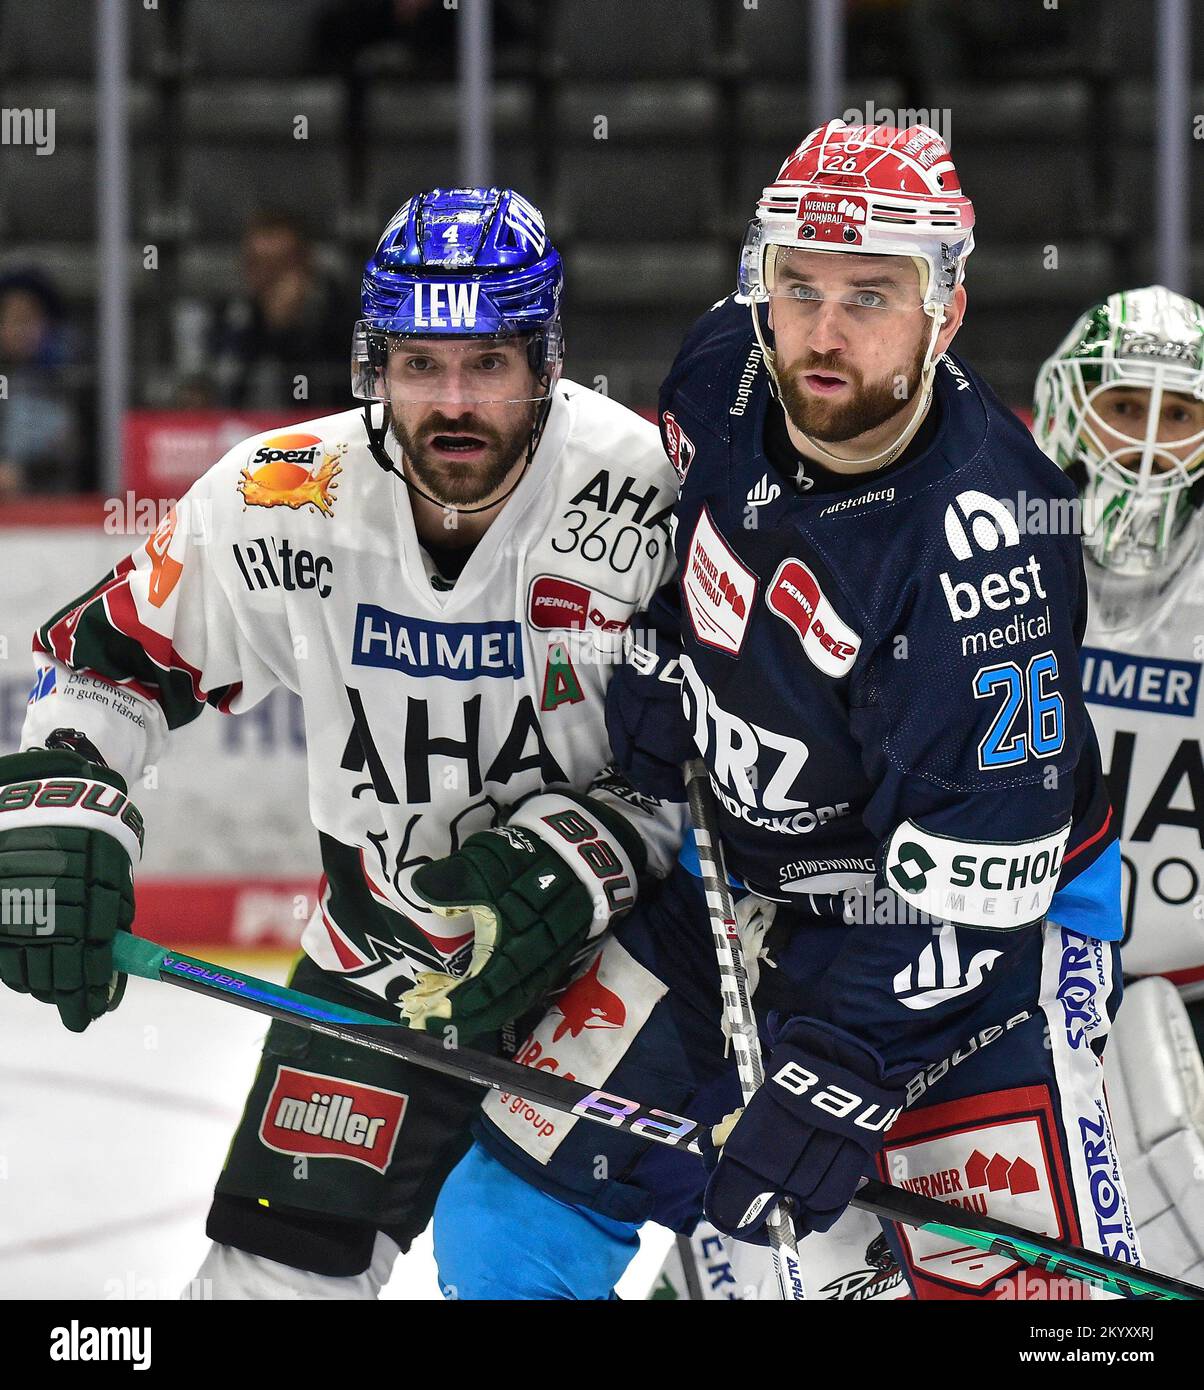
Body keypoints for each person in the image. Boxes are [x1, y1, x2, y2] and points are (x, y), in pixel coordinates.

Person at [431, 121, 1137, 1301]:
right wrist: (646, 733)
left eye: (871, 295)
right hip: (740, 889)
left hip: (975, 939)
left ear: (944, 313)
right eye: (795, 283)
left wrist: (838, 1068)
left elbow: (983, 887)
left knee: (1031, 1304)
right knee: (506, 1223)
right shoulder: (721, 368)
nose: (821, 329)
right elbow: (686, 581)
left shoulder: (984, 549)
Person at [0, 187, 683, 1298]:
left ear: (547, 362)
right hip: (391, 960)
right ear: (375, 365)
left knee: (565, 1258)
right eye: (420, 365)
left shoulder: (645, 494)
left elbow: (743, 752)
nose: (451, 402)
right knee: (269, 1282)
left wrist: (585, 852)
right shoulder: (283, 498)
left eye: (487, 365)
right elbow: (109, 662)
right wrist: (70, 805)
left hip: (624, 964)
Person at [1032, 285, 1204, 1284]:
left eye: (1176, 413)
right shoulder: (992, 541)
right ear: (1068, 406)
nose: (1144, 445)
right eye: (1122, 405)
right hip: (1022, 981)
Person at [206, 211, 348, 411]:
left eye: (279, 266)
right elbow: (225, 389)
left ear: (305, 264)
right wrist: (261, 325)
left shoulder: (339, 312)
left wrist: (289, 329)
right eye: (257, 264)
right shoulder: (231, 312)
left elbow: (336, 392)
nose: (267, 278)